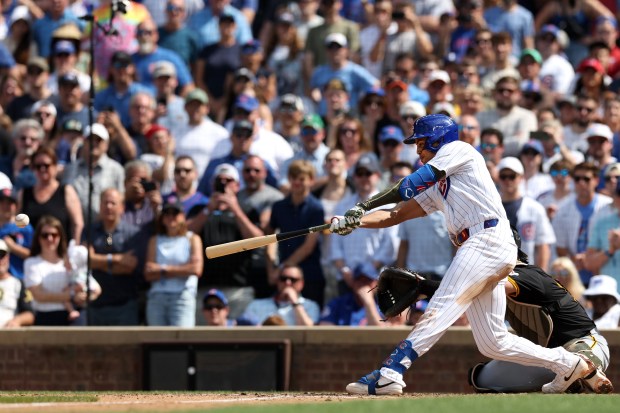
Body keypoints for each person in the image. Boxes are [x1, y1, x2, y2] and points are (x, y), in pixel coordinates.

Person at [330, 114, 611, 395]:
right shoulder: (441, 184)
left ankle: (391, 371)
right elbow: (394, 214)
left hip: (486, 237)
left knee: (442, 306)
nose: (417, 150)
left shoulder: (458, 150)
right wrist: (354, 220)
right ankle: (569, 364)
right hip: (476, 244)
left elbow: (408, 185)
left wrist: (362, 204)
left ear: (439, 139)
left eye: (422, 142)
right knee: (492, 342)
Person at [24, 216, 99, 326]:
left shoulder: (71, 261)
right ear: (38, 238)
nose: (50, 239)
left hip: (73, 318)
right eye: (45, 235)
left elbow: (93, 288)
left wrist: (84, 297)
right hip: (44, 318)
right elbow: (39, 295)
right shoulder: (31, 263)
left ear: (60, 237)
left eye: (54, 235)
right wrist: (72, 295)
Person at [87, 188, 142, 326]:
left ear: (122, 207)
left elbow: (130, 266)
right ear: (99, 206)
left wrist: (99, 264)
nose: (108, 207)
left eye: (113, 203)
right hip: (95, 306)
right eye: (105, 203)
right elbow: (86, 260)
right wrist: (117, 259)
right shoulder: (90, 231)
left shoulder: (133, 233)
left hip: (124, 306)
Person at [144, 200, 203, 327]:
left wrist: (161, 269)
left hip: (182, 296)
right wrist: (182, 270)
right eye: (167, 214)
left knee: (181, 340)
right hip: (157, 297)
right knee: (157, 342)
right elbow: (148, 274)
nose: (171, 217)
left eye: (175, 213)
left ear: (183, 216)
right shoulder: (155, 240)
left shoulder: (192, 239)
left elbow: (196, 270)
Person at [19, 146, 83, 243]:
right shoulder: (24, 193)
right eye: (38, 166)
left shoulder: (66, 191)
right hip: (31, 253)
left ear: (55, 166)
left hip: (61, 252)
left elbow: (77, 223)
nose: (42, 169)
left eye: (46, 165)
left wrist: (74, 248)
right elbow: (18, 223)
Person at [239, 265, 320, 326]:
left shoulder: (310, 306)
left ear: (301, 284)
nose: (288, 283)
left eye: (293, 280)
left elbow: (309, 332)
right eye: (283, 279)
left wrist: (295, 302)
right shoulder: (256, 304)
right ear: (278, 282)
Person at [319, 262, 384, 326]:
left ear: (376, 283)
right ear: (353, 282)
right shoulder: (337, 304)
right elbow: (324, 330)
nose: (364, 285)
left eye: (368, 281)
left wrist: (369, 303)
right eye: (360, 280)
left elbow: (384, 333)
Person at [0, 239, 34, 328]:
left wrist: (17, 320)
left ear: (8, 257)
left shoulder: (18, 283)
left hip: (9, 336)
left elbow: (30, 314)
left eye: (1, 255)